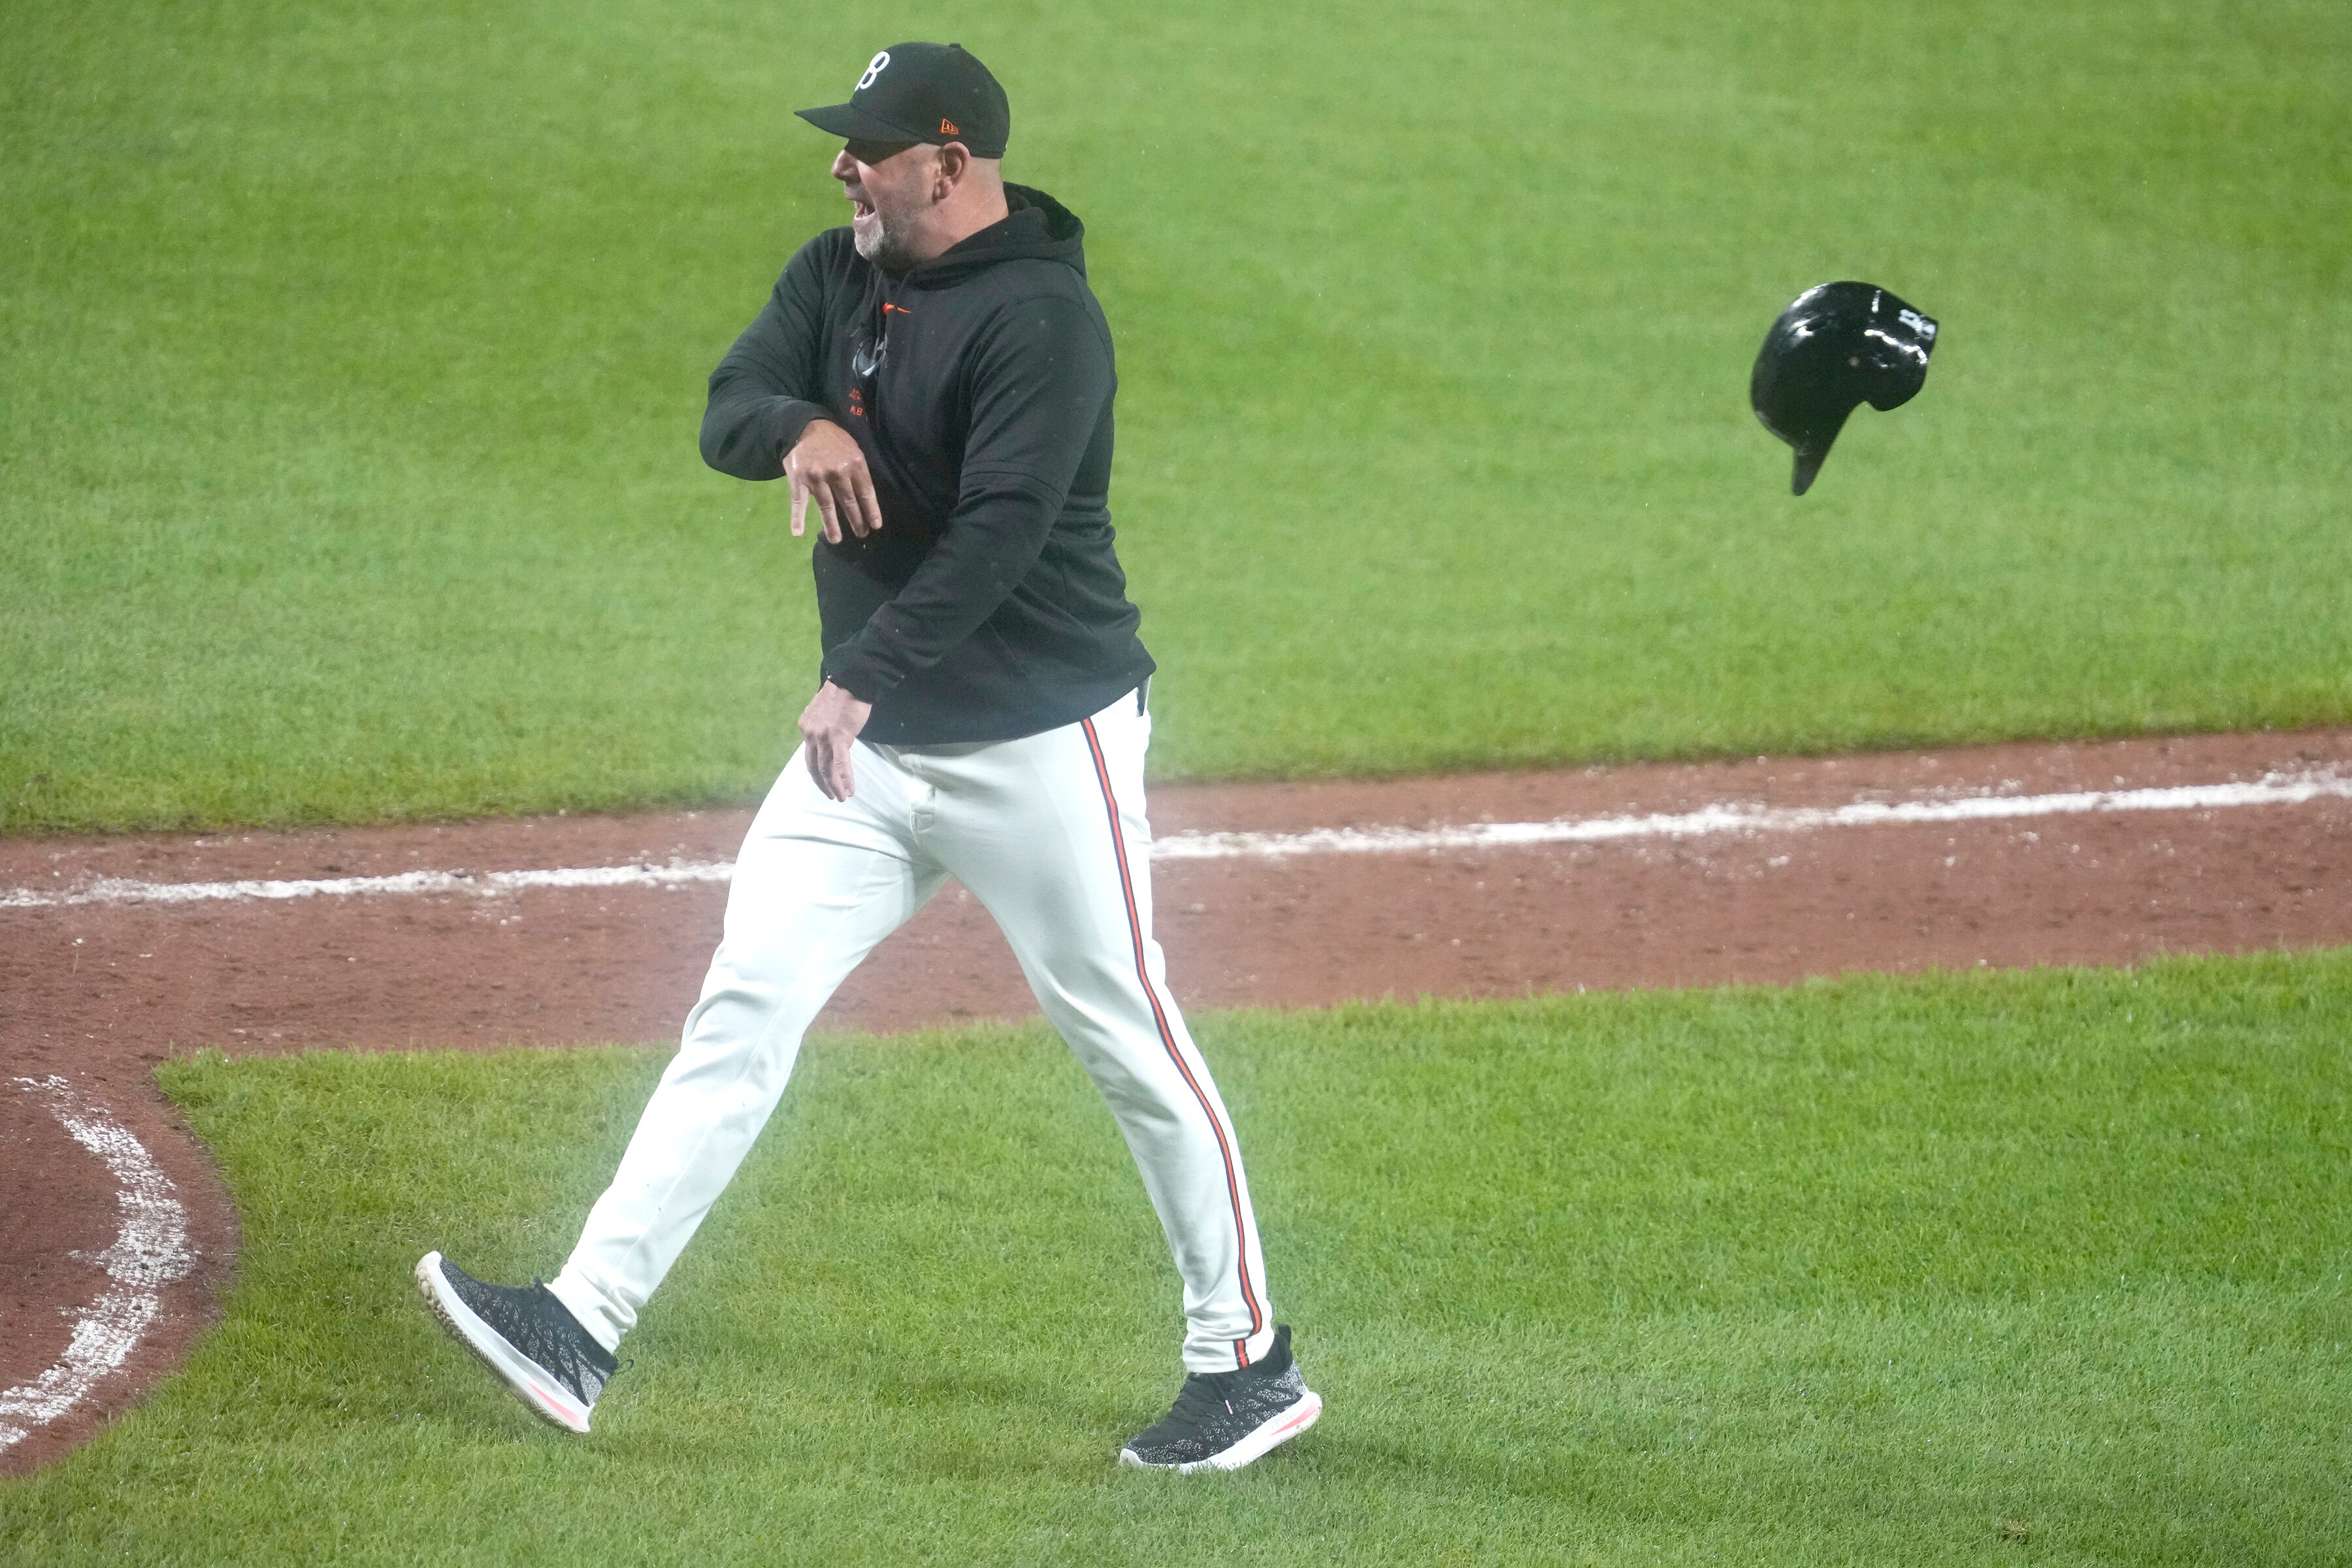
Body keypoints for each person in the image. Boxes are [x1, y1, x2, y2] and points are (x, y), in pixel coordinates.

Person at [416, 41, 1320, 1474]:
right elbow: (729, 405)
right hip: (873, 759)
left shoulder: (1043, 323)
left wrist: (855, 683)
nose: (843, 162)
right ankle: (579, 1323)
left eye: (872, 147)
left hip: (1040, 745)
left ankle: (1247, 1362)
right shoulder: (836, 270)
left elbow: (1004, 533)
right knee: (744, 1004)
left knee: (1129, 1041)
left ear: (949, 166)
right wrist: (804, 423)